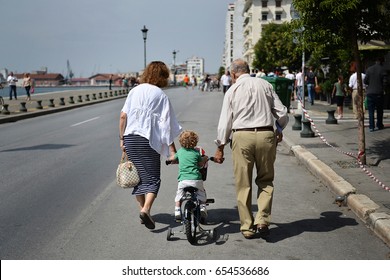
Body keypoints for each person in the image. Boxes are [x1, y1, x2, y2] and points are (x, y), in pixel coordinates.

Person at [213, 59, 289, 239]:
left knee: (243, 183)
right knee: (266, 179)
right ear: (248, 70)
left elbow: (225, 123)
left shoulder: (232, 90)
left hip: (242, 137)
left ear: (232, 74)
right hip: (265, 135)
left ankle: (247, 226)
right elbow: (283, 113)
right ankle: (262, 219)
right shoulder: (265, 85)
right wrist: (278, 129)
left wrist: (220, 146)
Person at [119, 61, 182, 230]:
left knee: (137, 177)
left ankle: (142, 210)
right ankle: (146, 209)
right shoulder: (161, 95)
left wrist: (122, 139)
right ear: (162, 77)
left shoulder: (134, 90)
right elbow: (166, 126)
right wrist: (172, 151)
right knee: (153, 178)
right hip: (148, 140)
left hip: (130, 138)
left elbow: (123, 116)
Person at [173, 130, 209, 221]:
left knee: (179, 195)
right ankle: (202, 207)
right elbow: (201, 164)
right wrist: (204, 159)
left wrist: (170, 160)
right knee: (201, 192)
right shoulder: (196, 153)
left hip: (183, 181)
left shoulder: (180, 152)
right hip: (196, 179)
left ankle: (177, 210)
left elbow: (172, 158)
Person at [364, 58, 388, 132]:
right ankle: (379, 124)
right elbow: (385, 82)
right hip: (379, 92)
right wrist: (383, 88)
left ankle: (371, 126)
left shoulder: (369, 69)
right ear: (382, 62)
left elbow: (365, 81)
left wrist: (370, 84)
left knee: (371, 111)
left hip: (370, 92)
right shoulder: (383, 70)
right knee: (379, 110)